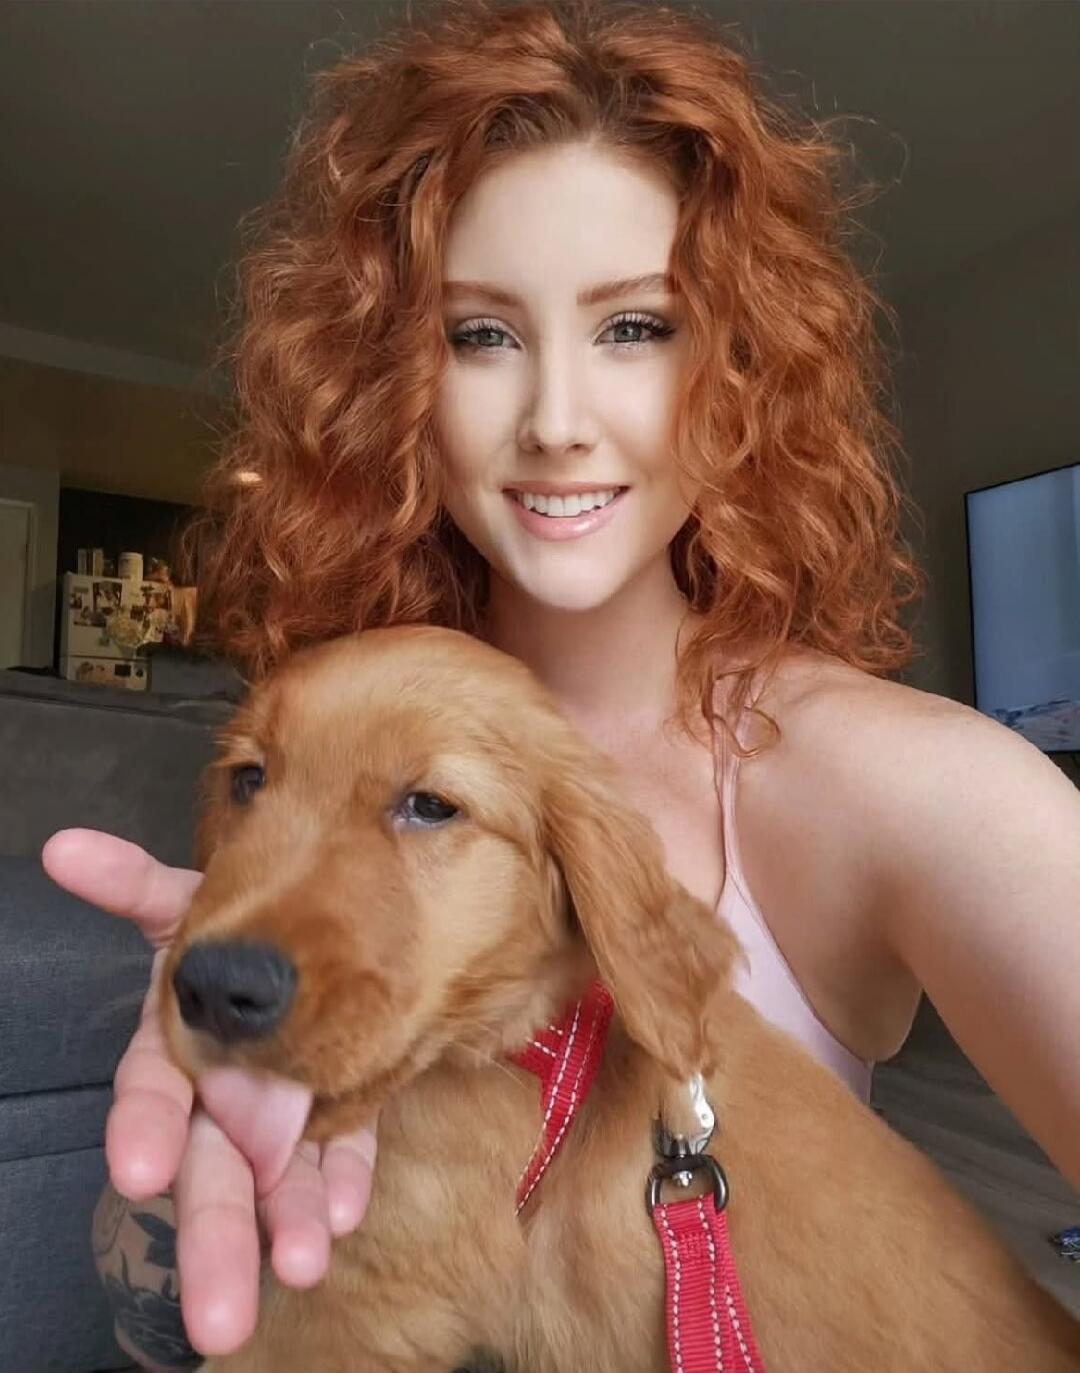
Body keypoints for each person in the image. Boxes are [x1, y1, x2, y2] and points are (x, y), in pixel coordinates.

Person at [42, 0, 1080, 1368]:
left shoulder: (922, 786)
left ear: (743, 367)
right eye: (480, 335)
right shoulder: (332, 705)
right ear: (388, 378)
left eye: (636, 326)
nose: (555, 417)